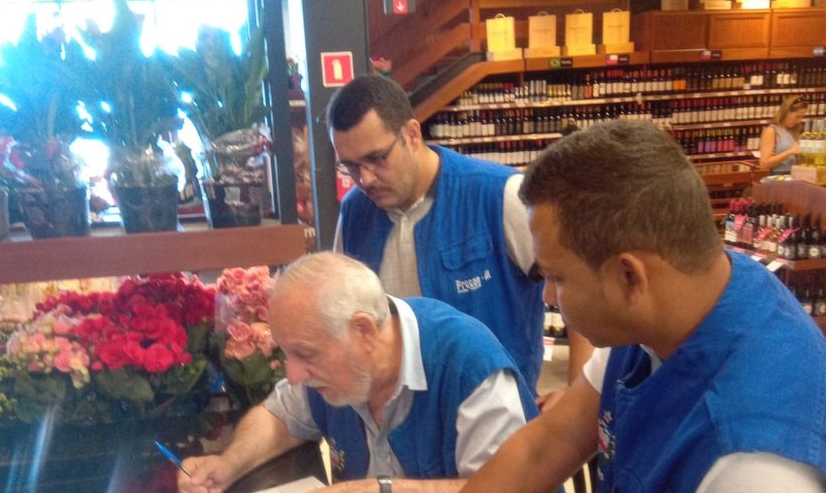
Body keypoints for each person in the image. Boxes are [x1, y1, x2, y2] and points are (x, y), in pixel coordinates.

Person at [463, 120, 826, 492]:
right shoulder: (677, 299)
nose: (547, 298)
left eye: (557, 278)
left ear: (629, 277)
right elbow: (546, 446)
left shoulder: (754, 469)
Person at [178, 252, 538, 493]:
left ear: (364, 331)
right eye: (287, 354)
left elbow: (510, 486)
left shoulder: (470, 369)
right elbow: (278, 417)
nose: (295, 374)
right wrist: (228, 464)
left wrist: (379, 488)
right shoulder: (333, 358)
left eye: (304, 354)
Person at [328, 74, 584, 394]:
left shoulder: (499, 195)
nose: (364, 179)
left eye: (376, 159)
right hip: (400, 418)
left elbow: (581, 283)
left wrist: (579, 394)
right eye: (350, 166)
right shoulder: (354, 213)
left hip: (498, 417)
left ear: (411, 134)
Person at [759, 95, 808, 175]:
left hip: (795, 175)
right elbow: (764, 164)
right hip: (779, 178)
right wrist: (790, 152)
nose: (799, 121)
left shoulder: (793, 131)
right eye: (797, 116)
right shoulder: (771, 131)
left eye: (802, 117)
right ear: (786, 112)